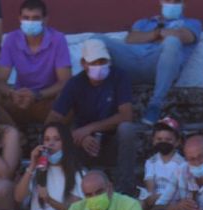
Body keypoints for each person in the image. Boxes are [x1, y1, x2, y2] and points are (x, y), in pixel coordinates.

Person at [45, 38, 137, 195]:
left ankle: (126, 187)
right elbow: (52, 121)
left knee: (127, 129)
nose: (99, 66)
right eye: (94, 62)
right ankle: (68, 188)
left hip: (112, 144)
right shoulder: (75, 84)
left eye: (103, 61)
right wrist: (75, 136)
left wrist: (87, 129)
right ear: (83, 64)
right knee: (56, 137)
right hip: (82, 147)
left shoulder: (120, 77)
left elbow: (126, 115)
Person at [105, 1, 203, 126]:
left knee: (172, 41)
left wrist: (151, 35)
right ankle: (102, 101)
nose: (172, 3)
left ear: (183, 3)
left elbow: (184, 36)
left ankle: (155, 105)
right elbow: (130, 39)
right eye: (168, 0)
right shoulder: (144, 22)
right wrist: (157, 34)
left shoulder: (192, 23)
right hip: (133, 64)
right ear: (161, 1)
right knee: (96, 40)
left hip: (161, 69)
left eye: (176, 1)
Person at [0, 0, 71, 126]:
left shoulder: (58, 39)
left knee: (68, 97)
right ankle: (17, 137)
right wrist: (12, 93)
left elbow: (65, 81)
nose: (30, 22)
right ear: (19, 19)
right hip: (19, 100)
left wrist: (37, 95)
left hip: (47, 99)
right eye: (26, 18)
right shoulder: (11, 39)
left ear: (45, 20)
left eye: (35, 18)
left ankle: (47, 136)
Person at [16, 120, 83, 210]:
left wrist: (49, 200)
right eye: (46, 140)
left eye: (56, 139)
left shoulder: (77, 174)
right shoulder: (37, 170)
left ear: (66, 143)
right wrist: (32, 165)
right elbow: (18, 197)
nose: (50, 144)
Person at [141, 115, 185, 207]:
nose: (163, 142)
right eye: (159, 139)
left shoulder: (182, 163)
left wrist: (160, 198)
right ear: (153, 141)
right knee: (138, 203)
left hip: (174, 198)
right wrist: (151, 196)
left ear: (177, 142)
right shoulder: (151, 162)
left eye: (168, 140)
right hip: (154, 197)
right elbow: (150, 184)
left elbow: (179, 189)